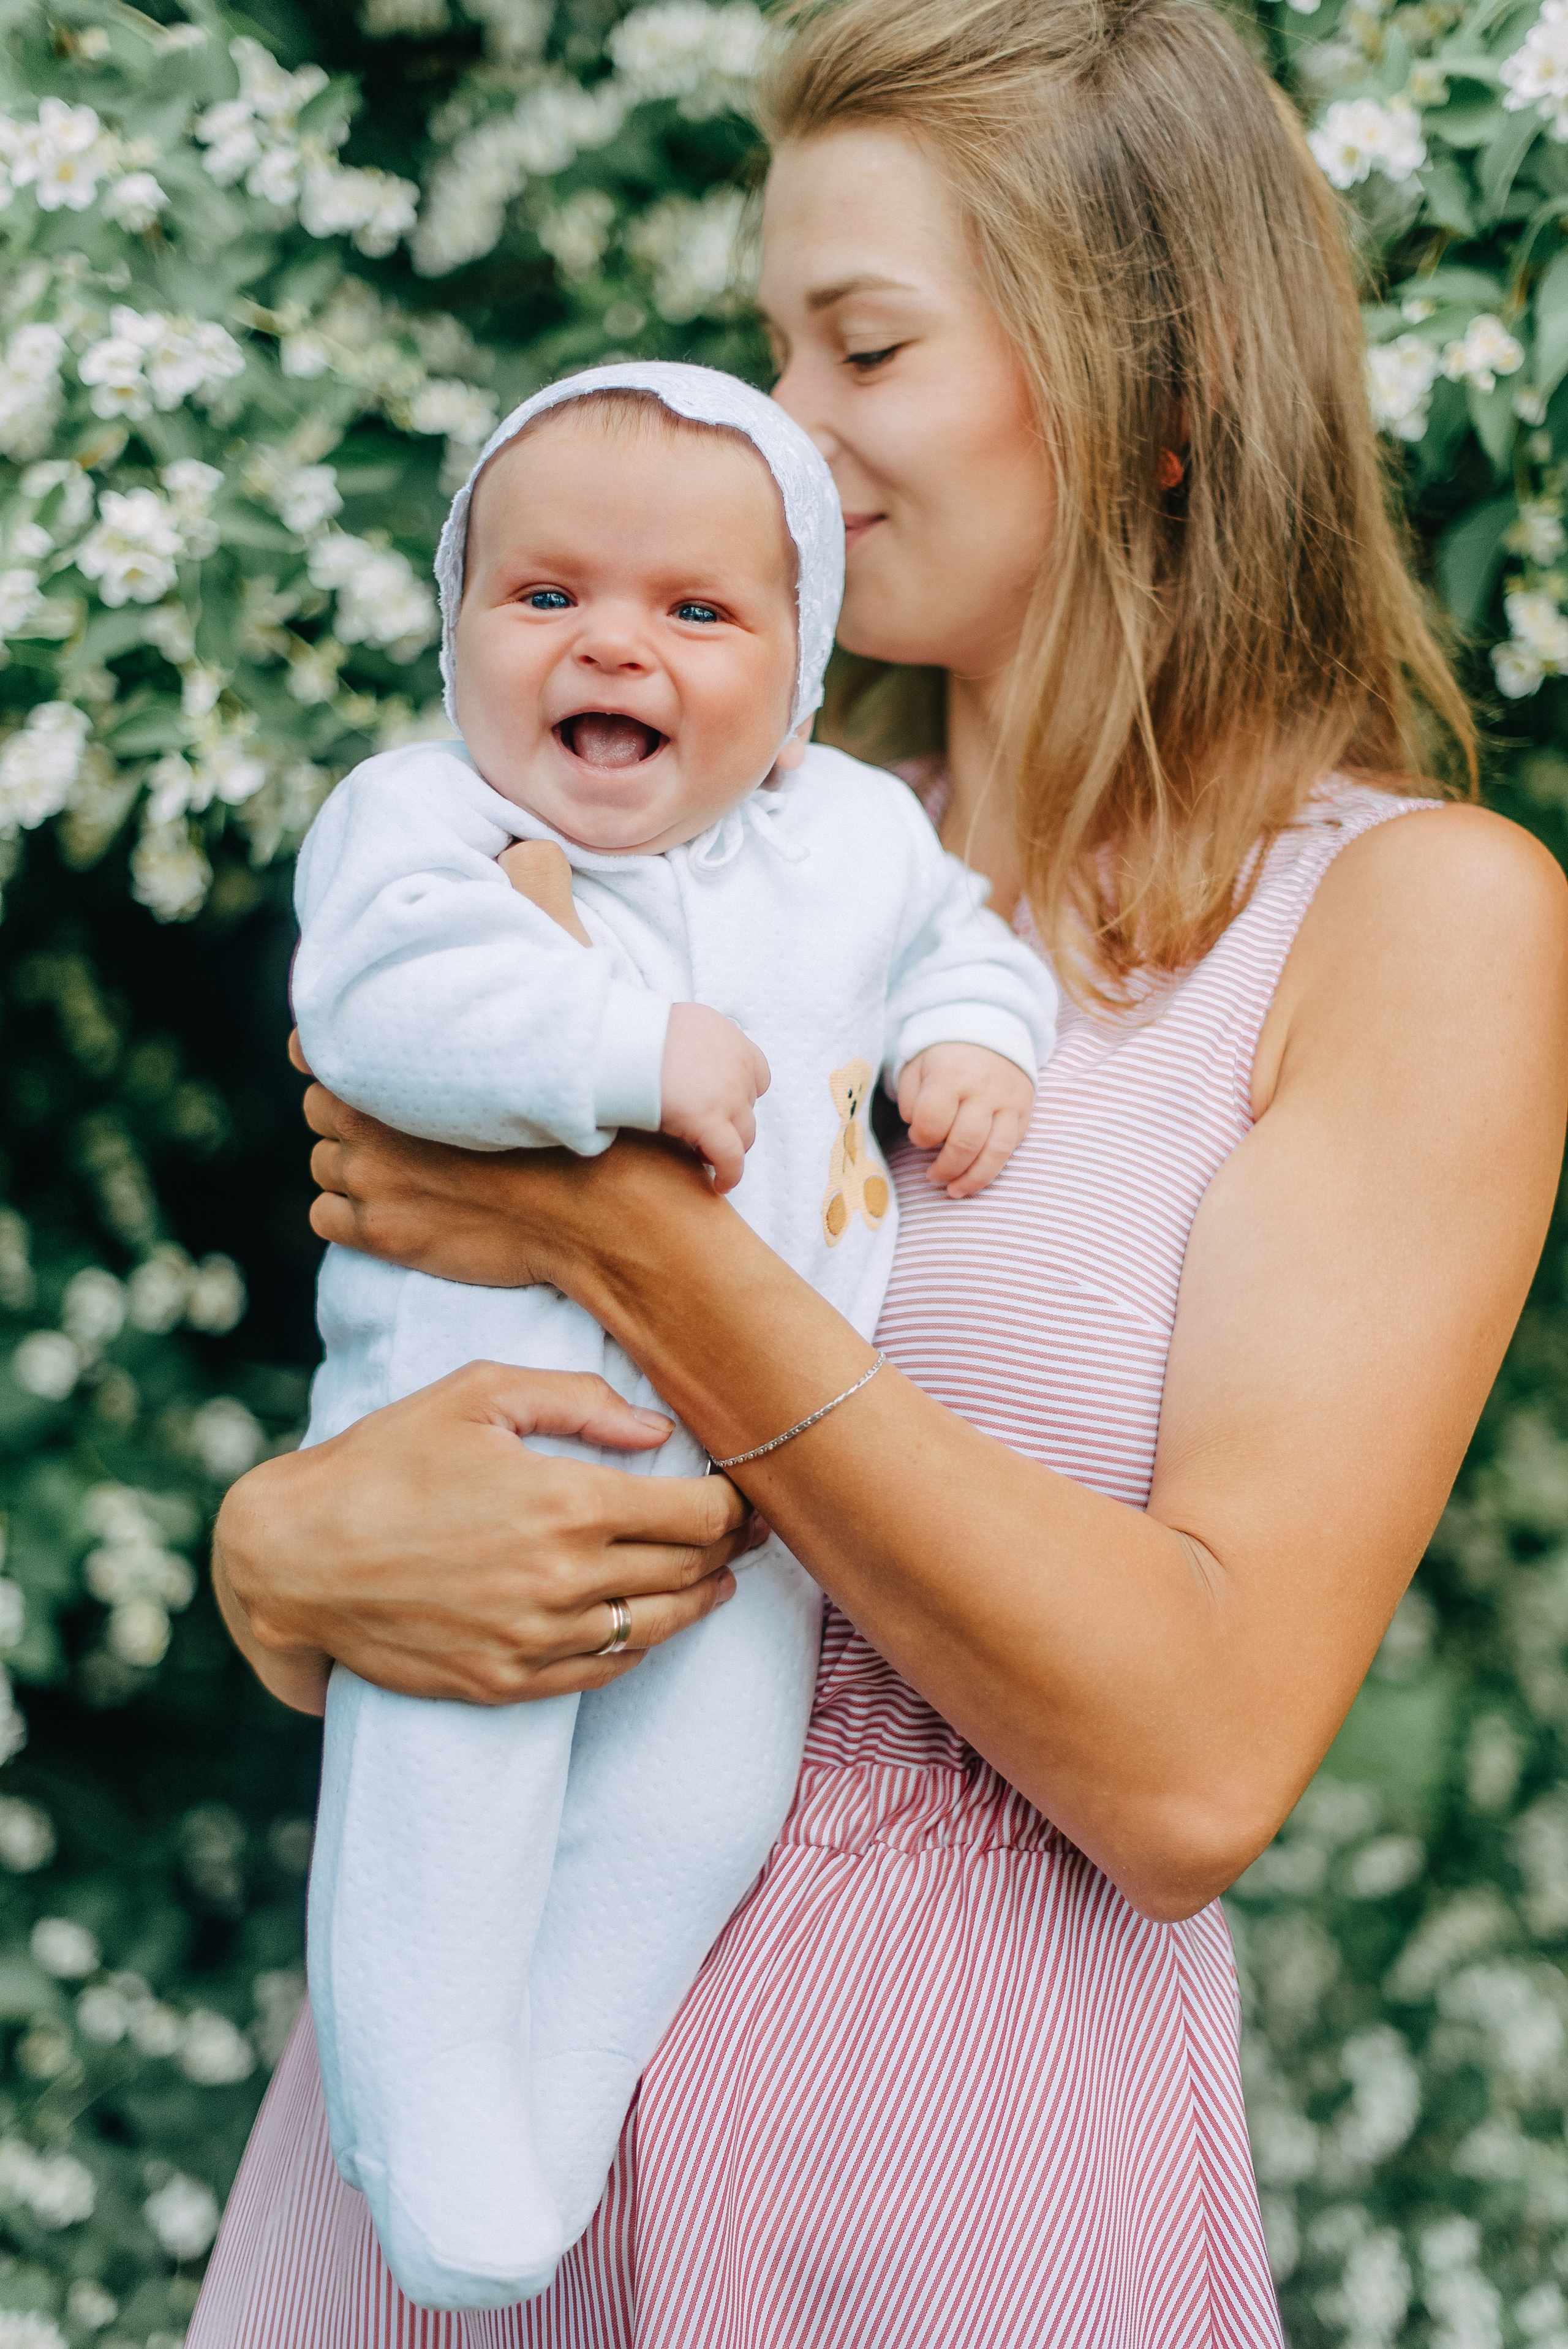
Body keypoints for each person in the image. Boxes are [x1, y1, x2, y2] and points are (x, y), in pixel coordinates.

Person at [191, 0, 1568, 2340]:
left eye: (863, 347)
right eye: (765, 344)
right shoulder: (661, 857)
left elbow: (1195, 1756)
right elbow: (418, 1366)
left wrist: (622, 1224)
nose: (772, 431)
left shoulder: (1413, 921)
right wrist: (274, 1558)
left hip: (947, 2181)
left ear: (1156, 388)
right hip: (471, 2123)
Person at [290, 359, 1052, 2310]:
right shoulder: (418, 822)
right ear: (457, 627)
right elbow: (392, 1009)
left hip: (743, 1504)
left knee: (694, 1806)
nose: (608, 640)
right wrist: (624, 1048)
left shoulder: (853, 840)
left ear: (796, 680)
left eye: (694, 612)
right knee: (452, 1787)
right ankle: (424, 2088)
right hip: (486, 1445)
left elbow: (964, 937)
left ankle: (543, 2107)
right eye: (541, 595)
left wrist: (974, 1039)